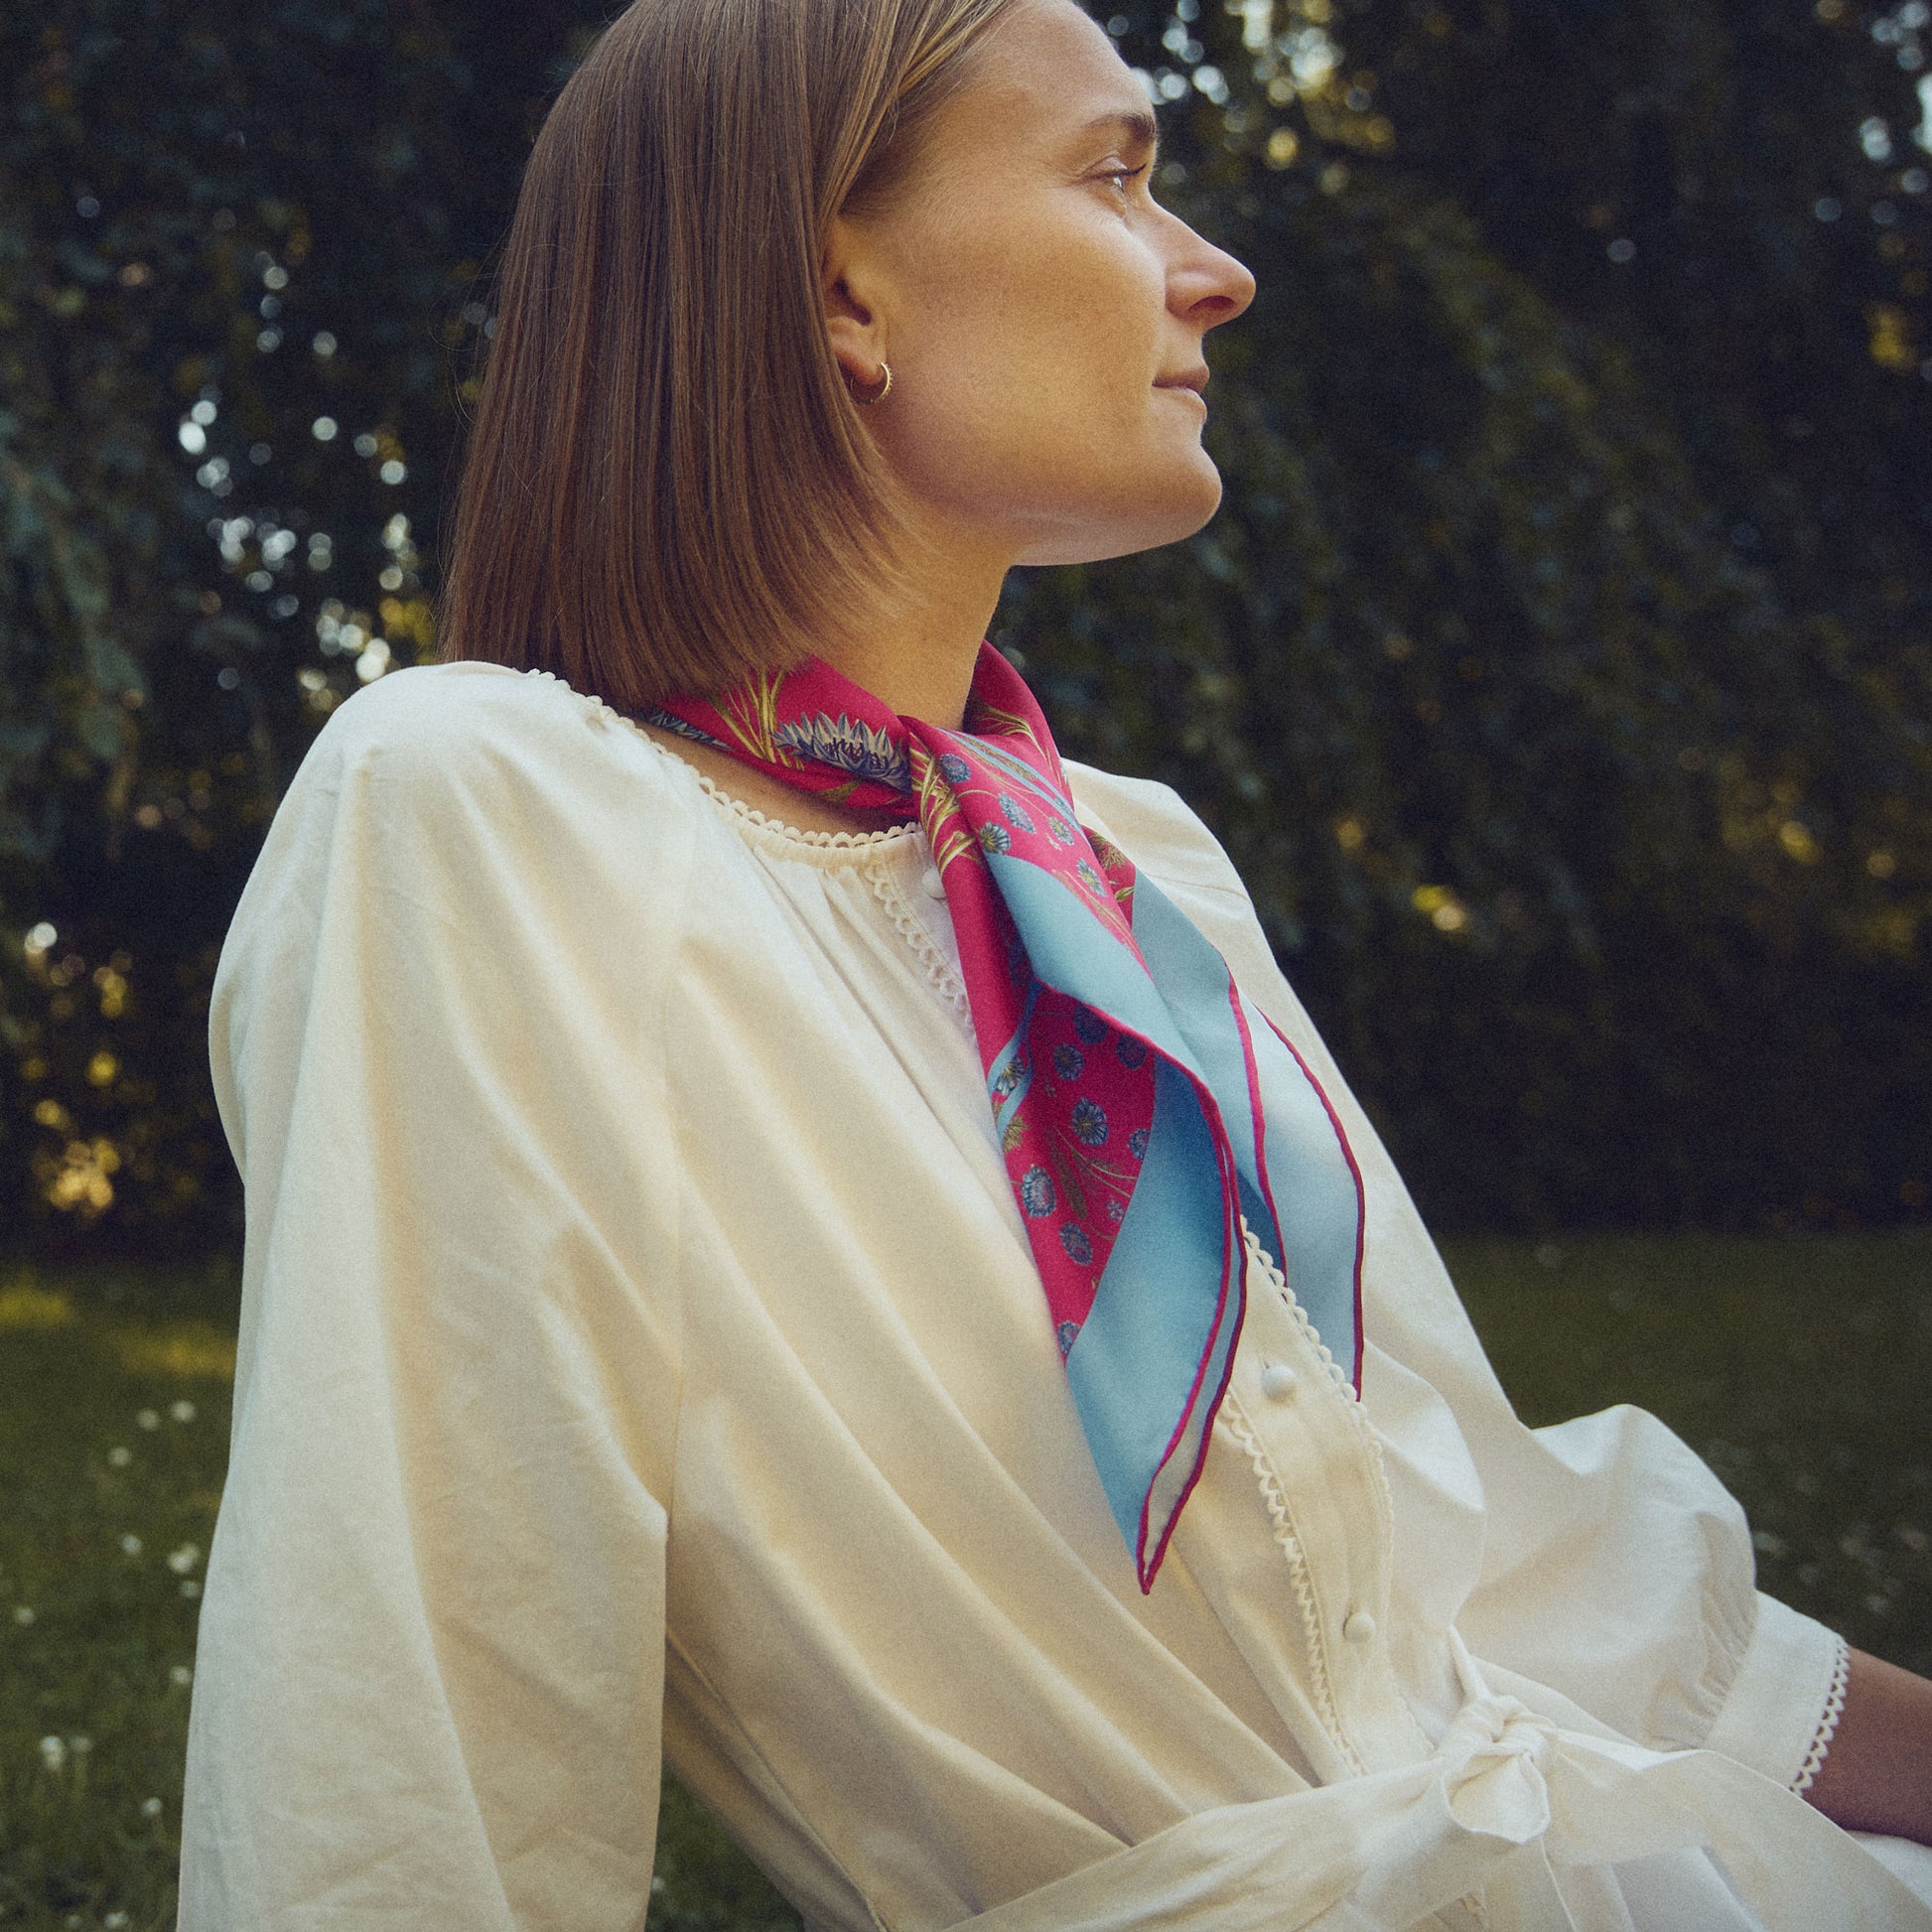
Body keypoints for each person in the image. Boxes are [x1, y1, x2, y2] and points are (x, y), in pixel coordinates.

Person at [176, 0, 1932, 1924]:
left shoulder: (1126, 863)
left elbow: (1497, 1567)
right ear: (841, 292)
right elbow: (409, 1732)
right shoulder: (500, 819)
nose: (1214, 269)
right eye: (1115, 175)